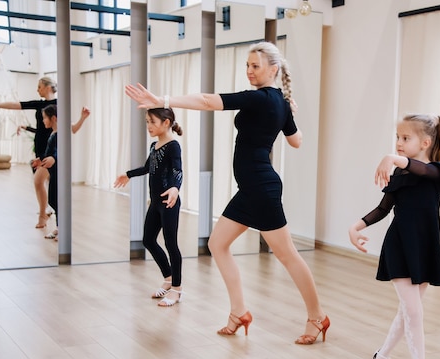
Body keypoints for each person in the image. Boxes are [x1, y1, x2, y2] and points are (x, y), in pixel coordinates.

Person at [125, 41, 329, 343]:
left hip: (261, 188)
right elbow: (296, 140)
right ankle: (239, 312)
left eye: (255, 66)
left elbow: (209, 101)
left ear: (272, 69)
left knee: (287, 255)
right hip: (250, 188)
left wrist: (163, 98)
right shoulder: (279, 102)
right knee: (218, 244)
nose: (249, 71)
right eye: (247, 65)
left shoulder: (260, 99)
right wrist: (287, 112)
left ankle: (317, 317)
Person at [348, 114, 440, 359]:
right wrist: (356, 227)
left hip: (425, 248)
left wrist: (392, 158)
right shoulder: (399, 176)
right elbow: (382, 209)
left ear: (426, 142)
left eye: (406, 138)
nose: (399, 143)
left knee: (407, 312)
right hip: (400, 247)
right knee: (414, 313)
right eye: (398, 138)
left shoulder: (436, 172)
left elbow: (422, 170)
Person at [0, 76, 90, 228]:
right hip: (40, 150)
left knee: (39, 182)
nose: (37, 90)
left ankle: (45, 216)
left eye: (39, 87)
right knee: (45, 184)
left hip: (52, 153)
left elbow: (72, 129)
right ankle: (52, 215)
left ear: (48, 87)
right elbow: (17, 105)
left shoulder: (59, 105)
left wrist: (82, 118)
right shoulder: (39, 105)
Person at [113, 108, 184, 307]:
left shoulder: (173, 146)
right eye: (147, 122)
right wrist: (128, 174)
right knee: (148, 240)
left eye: (152, 122)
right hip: (155, 202)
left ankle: (177, 290)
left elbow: (178, 171)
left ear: (166, 122)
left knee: (171, 244)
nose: (149, 126)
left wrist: (175, 189)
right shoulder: (155, 145)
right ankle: (168, 278)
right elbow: (147, 168)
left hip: (169, 202)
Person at [33, 104, 59, 240]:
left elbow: (56, 154)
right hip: (53, 172)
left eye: (44, 118)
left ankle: (62, 229)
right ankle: (59, 228)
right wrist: (40, 160)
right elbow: (48, 154)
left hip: (58, 172)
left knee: (57, 201)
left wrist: (53, 159)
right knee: (53, 200)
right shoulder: (53, 134)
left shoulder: (59, 135)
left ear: (53, 118)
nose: (43, 121)